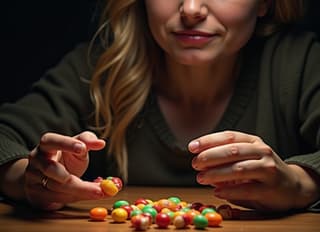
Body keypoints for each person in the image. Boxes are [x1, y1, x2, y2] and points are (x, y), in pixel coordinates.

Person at [0, 0, 319, 213]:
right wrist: (28, 179)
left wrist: (299, 183)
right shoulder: (99, 68)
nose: (192, 9)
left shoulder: (301, 62)